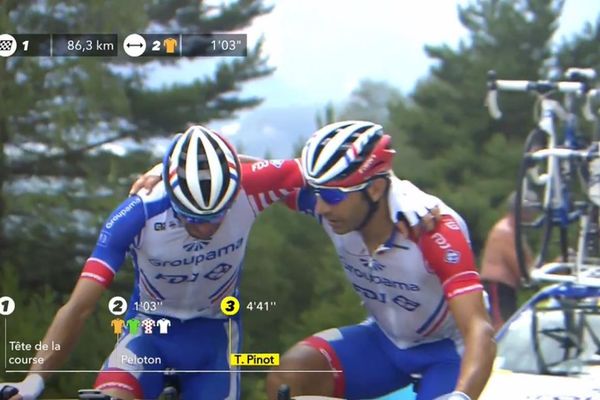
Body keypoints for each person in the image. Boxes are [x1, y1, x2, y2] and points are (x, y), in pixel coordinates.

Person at [1, 124, 437, 400]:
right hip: (145, 329)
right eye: (193, 218)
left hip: (214, 336)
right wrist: (33, 381)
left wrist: (400, 188)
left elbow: (343, 170)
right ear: (171, 196)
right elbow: (78, 307)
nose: (207, 227)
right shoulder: (136, 214)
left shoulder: (250, 185)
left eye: (217, 215)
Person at [266, 121, 496, 400]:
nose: (322, 207)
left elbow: (479, 328)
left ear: (374, 189)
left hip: (446, 352)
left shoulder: (431, 228)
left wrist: (462, 397)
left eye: (332, 195)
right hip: (384, 341)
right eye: (316, 192)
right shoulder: (328, 208)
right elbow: (246, 176)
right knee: (290, 377)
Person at [480, 191, 535, 332]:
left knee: (509, 326)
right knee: (502, 328)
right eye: (532, 210)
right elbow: (521, 269)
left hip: (506, 291)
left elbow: (530, 265)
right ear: (522, 211)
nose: (534, 215)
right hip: (497, 288)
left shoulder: (515, 232)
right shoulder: (505, 232)